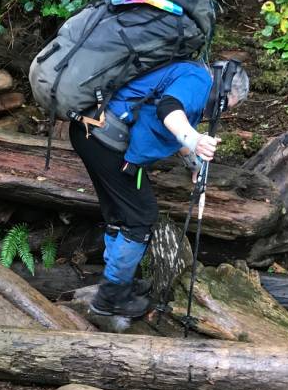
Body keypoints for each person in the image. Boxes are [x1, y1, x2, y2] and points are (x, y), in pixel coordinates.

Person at [71, 59, 247, 317]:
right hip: (105, 139)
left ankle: (119, 281)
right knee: (141, 217)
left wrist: (193, 162)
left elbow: (168, 122)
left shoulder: (191, 75)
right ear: (226, 90)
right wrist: (195, 138)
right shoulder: (199, 80)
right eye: (227, 106)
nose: (221, 113)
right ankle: (110, 299)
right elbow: (169, 109)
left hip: (91, 132)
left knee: (119, 213)